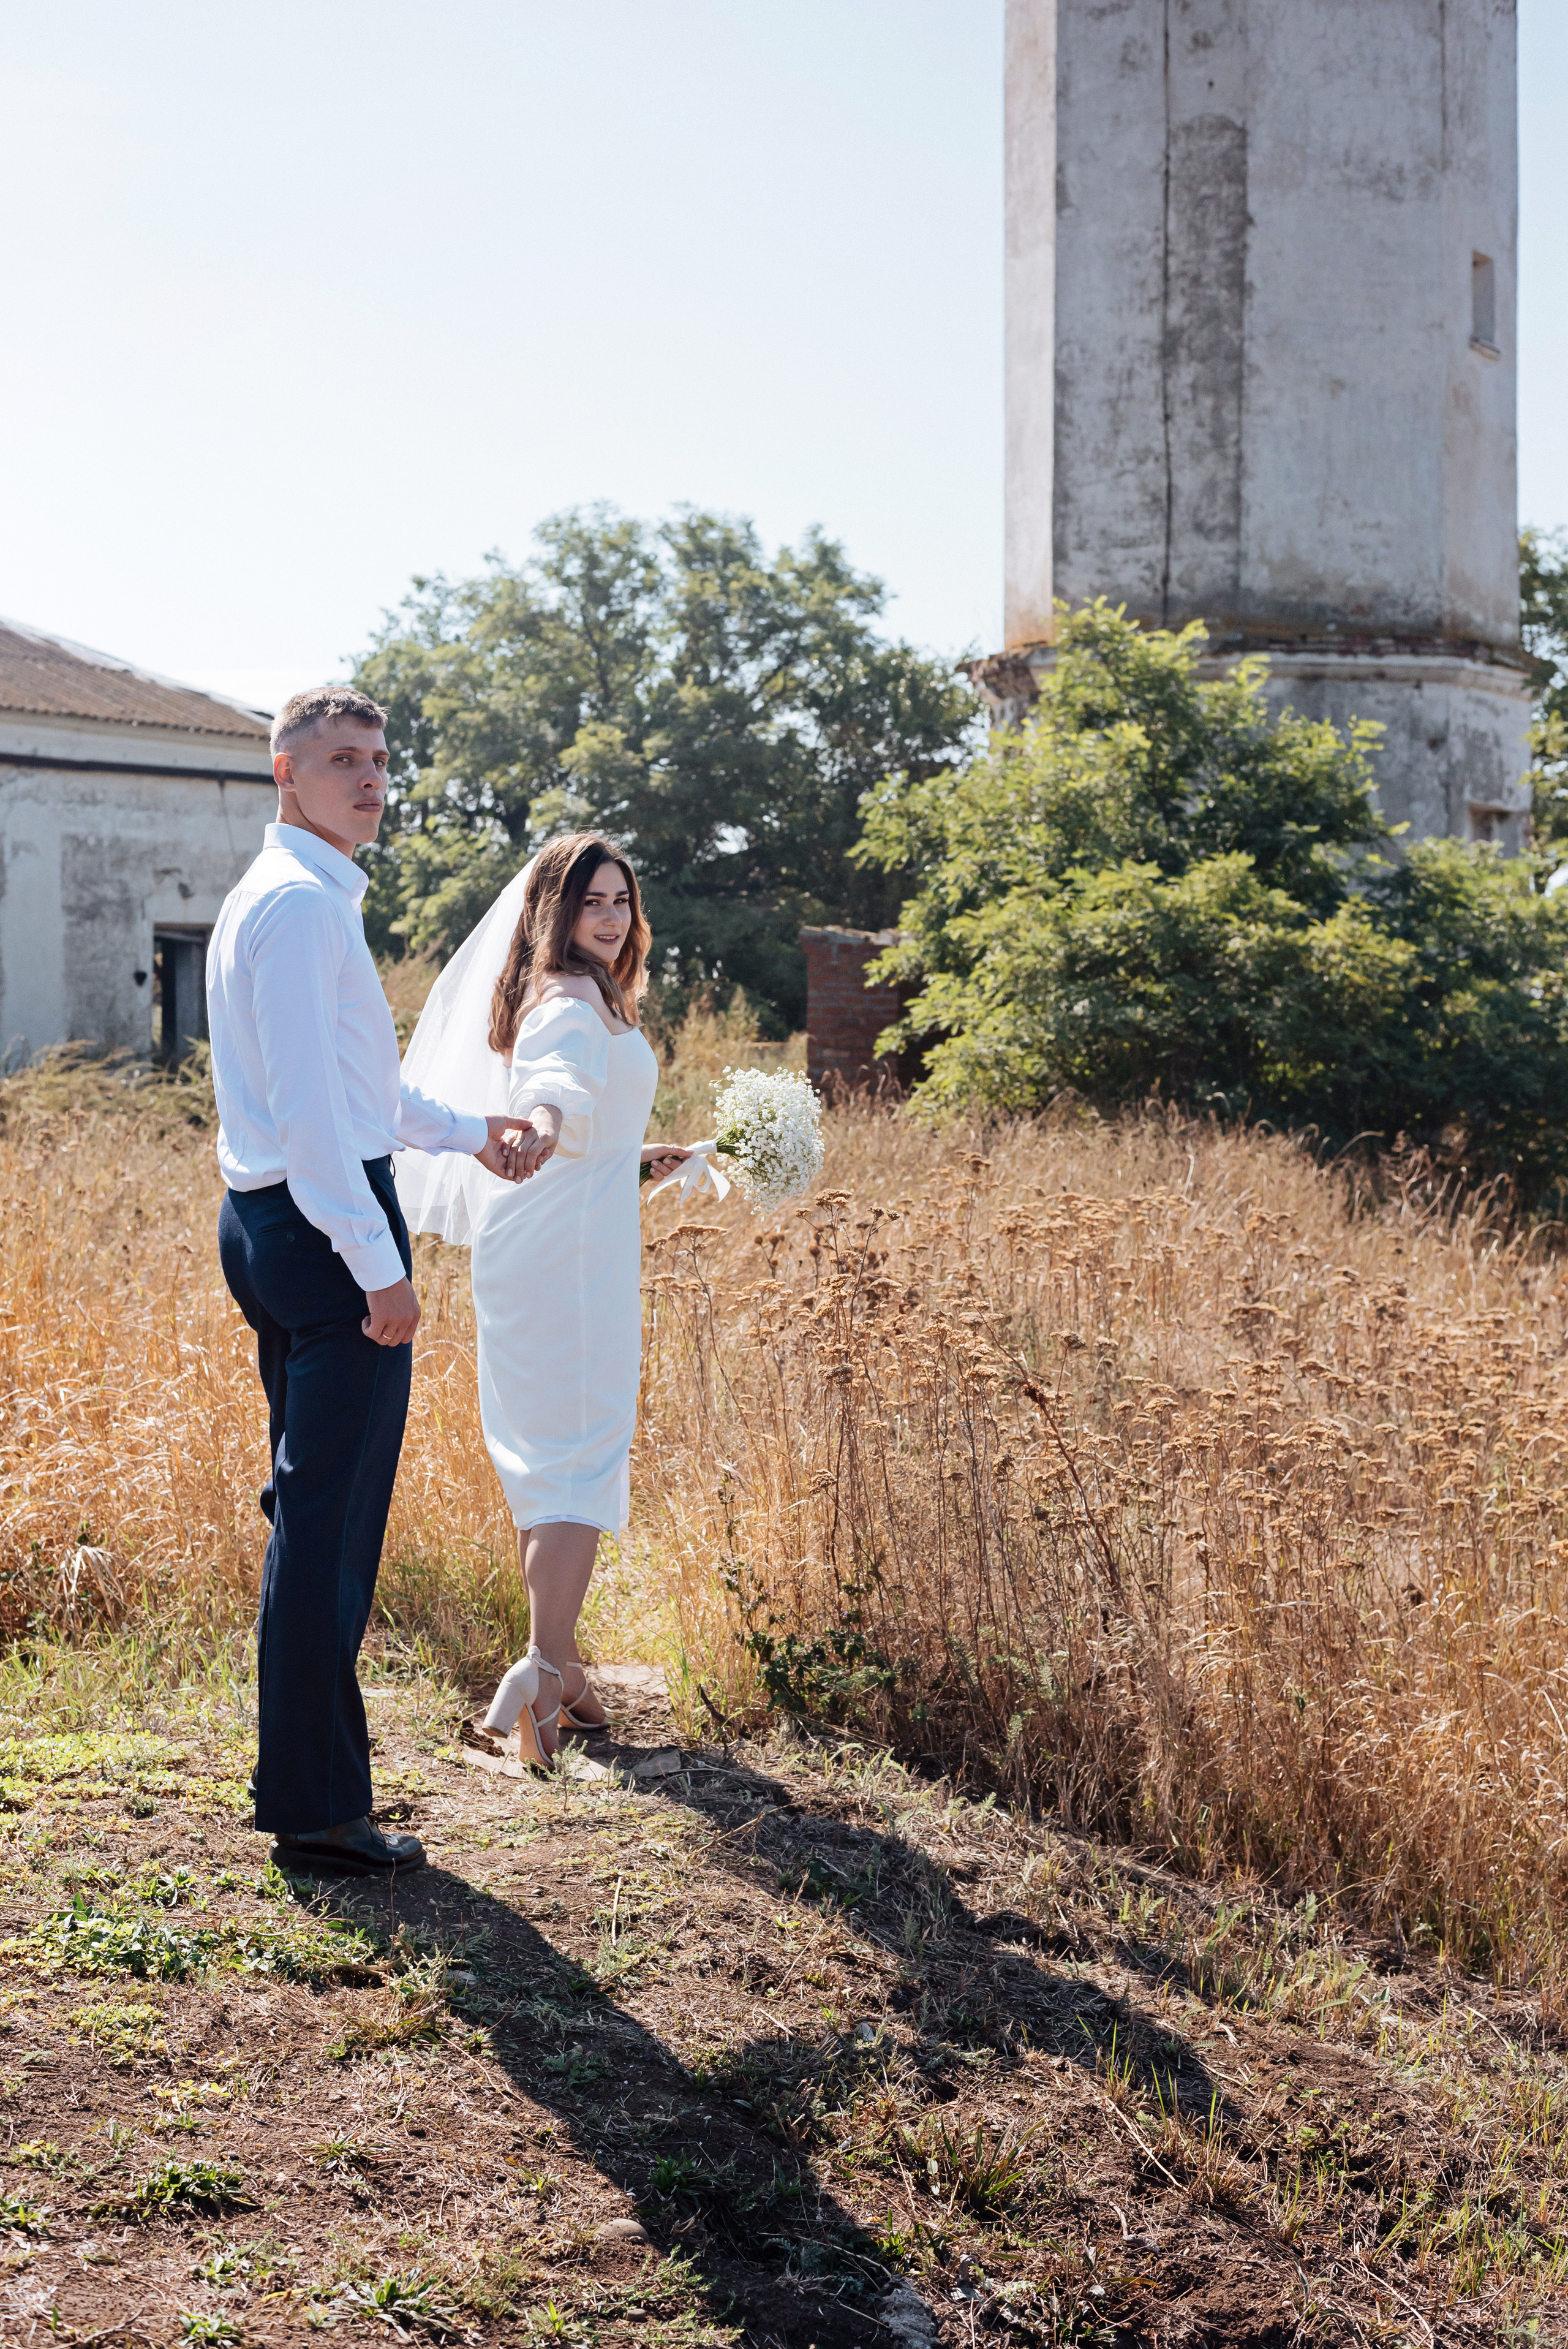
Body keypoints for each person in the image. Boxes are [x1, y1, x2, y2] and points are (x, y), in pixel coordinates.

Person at [208, 686, 525, 1877]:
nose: (371, 778)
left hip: (280, 1223)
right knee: (327, 1530)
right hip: (315, 1233)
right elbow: (309, 1120)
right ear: (284, 774)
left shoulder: (305, 899)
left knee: (313, 1517)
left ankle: (311, 1792)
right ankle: (316, 1808)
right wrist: (379, 1270)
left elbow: (367, 1100)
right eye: (343, 760)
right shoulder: (296, 909)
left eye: (381, 760)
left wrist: (470, 1132)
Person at [396, 834, 693, 1766]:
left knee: (550, 1457)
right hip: (567, 1258)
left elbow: (582, 1124)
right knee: (578, 1454)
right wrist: (553, 1127)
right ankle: (540, 1671)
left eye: (620, 900)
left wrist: (635, 1157)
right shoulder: (567, 1000)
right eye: (591, 902)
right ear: (553, 915)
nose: (610, 917)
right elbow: (552, 1094)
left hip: (560, 1236)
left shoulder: (587, 992)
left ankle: (562, 1662)